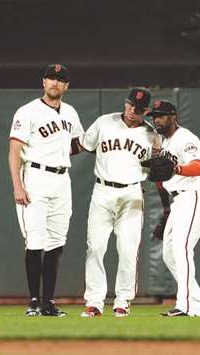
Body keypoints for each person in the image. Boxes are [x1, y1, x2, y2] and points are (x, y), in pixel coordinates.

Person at [8, 64, 84, 317]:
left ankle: (48, 302)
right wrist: (18, 185)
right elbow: (14, 151)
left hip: (62, 180)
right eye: (51, 78)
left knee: (56, 243)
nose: (55, 83)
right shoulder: (27, 111)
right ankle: (33, 302)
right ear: (43, 82)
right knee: (35, 241)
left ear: (66, 86)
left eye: (60, 79)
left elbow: (76, 144)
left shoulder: (70, 113)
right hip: (36, 177)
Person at [79, 87, 160, 317]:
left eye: (139, 108)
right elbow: (83, 145)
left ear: (146, 111)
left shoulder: (151, 135)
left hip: (132, 194)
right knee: (95, 246)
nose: (133, 110)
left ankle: (123, 300)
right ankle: (94, 301)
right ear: (126, 103)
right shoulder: (105, 122)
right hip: (102, 191)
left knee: (127, 249)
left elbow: (158, 170)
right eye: (131, 105)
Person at [148, 100, 200, 317]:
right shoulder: (165, 144)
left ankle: (184, 306)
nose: (156, 119)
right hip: (177, 203)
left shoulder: (186, 138)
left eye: (161, 115)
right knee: (168, 254)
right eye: (154, 116)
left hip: (193, 196)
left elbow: (197, 167)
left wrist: (176, 168)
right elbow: (161, 180)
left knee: (182, 249)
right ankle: (199, 307)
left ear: (173, 116)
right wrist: (166, 212)